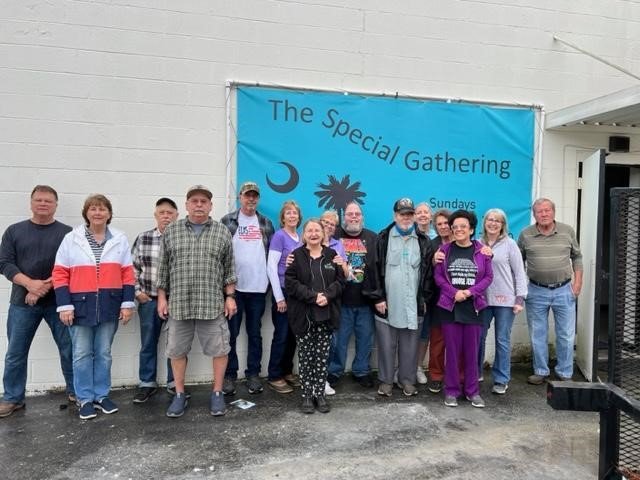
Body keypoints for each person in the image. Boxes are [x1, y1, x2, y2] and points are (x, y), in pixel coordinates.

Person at [53, 194, 136, 420]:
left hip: (109, 304)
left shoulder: (119, 238)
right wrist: (64, 305)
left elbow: (127, 274)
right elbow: (60, 273)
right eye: (93, 209)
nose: (98, 213)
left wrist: (127, 303)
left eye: (102, 209)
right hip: (79, 306)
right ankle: (85, 399)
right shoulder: (72, 239)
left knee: (104, 353)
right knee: (81, 354)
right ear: (86, 213)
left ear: (109, 214)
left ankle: (101, 395)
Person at [157, 185, 237, 418]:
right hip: (179, 305)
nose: (199, 205)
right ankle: (180, 394)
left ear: (210, 205)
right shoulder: (172, 231)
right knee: (176, 351)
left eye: (204, 201)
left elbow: (229, 268)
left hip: (211, 304)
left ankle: (217, 392)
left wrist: (230, 297)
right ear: (187, 205)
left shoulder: (222, 231)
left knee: (220, 350)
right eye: (195, 201)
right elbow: (163, 269)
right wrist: (162, 297)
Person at [0, 185, 74, 418]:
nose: (43, 204)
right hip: (22, 303)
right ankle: (13, 398)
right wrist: (30, 284)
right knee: (16, 352)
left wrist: (42, 287)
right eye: (39, 200)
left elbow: (71, 265)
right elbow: (4, 263)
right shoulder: (14, 231)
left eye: (48, 201)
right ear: (31, 203)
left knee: (69, 349)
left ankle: (76, 391)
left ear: (55, 205)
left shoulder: (68, 233)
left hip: (59, 302)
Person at [372, 198, 433, 397]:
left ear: (414, 216)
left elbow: (429, 274)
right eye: (402, 214)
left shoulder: (424, 241)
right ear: (395, 216)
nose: (405, 218)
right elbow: (372, 270)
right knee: (387, 346)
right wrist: (378, 298)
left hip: (413, 304)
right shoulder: (382, 239)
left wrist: (424, 298)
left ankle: (407, 380)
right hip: (387, 304)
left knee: (410, 346)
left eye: (409, 214)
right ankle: (387, 381)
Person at [517, 198, 582, 385]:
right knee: (538, 333)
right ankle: (540, 371)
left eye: (547, 210)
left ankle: (565, 372)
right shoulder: (525, 234)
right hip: (536, 290)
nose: (544, 214)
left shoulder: (567, 231)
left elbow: (577, 257)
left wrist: (578, 284)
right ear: (534, 214)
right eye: (539, 211)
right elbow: (518, 261)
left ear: (553, 212)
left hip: (564, 289)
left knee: (566, 334)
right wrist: (522, 286)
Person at [434, 210, 493, 408]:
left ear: (471, 229)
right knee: (451, 352)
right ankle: (451, 391)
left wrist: (469, 292)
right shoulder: (444, 250)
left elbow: (488, 278)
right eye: (455, 227)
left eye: (463, 227)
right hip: (450, 308)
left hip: (474, 308)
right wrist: (453, 293)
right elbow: (439, 277)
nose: (458, 230)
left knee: (471, 352)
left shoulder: (482, 251)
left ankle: (472, 391)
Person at [220, 181, 275, 396]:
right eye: (247, 195)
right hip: (234, 290)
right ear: (240, 197)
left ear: (258, 199)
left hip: (258, 288)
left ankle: (253, 374)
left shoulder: (266, 223)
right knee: (230, 334)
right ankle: (229, 375)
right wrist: (225, 290)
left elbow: (272, 256)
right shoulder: (227, 221)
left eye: (254, 196)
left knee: (255, 333)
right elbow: (221, 256)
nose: (251, 199)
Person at [285, 219, 345, 413]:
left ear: (323, 234)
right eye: (309, 230)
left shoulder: (332, 255)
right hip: (304, 316)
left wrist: (327, 296)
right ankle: (307, 396)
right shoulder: (296, 256)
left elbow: (340, 281)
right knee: (305, 357)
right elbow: (291, 283)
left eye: (317, 230)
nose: (313, 234)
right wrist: (313, 297)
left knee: (321, 357)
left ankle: (319, 394)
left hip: (326, 315)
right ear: (304, 235)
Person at [130, 197, 179, 404]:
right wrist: (137, 291)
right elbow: (131, 268)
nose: (166, 216)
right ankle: (147, 383)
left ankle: (174, 382)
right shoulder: (144, 238)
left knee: (176, 344)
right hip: (149, 300)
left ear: (176, 216)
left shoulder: (182, 238)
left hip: (176, 301)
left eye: (170, 213)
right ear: (156, 215)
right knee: (148, 342)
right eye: (162, 213)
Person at [326, 202, 378, 392]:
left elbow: (378, 269)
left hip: (365, 300)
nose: (354, 217)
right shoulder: (335, 236)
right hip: (341, 300)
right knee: (339, 340)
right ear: (344, 217)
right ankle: (334, 371)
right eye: (350, 214)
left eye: (357, 214)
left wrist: (379, 296)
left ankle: (362, 371)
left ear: (362, 216)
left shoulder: (373, 238)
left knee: (365, 339)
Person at [478, 209, 527, 395]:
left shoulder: (510, 244)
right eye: (490, 219)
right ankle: (476, 373)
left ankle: (501, 379)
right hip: (482, 300)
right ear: (485, 223)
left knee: (502, 340)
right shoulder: (477, 243)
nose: (493, 223)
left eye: (497, 221)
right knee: (479, 337)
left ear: (503, 225)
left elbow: (520, 273)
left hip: (505, 301)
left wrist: (519, 298)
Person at [266, 200, 303, 394]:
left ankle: (287, 371)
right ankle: (274, 375)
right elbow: (271, 267)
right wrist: (279, 298)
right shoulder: (279, 236)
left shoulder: (300, 238)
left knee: (293, 335)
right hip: (282, 291)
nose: (292, 215)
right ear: (282, 217)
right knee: (281, 335)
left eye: (294, 213)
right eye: (288, 213)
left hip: (297, 294)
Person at [426, 208, 452, 394]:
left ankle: (454, 376)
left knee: (456, 342)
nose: (443, 227)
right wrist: (433, 261)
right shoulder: (431, 244)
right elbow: (425, 271)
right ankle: (436, 376)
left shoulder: (463, 243)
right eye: (439, 224)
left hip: (460, 301)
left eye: (446, 223)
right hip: (437, 300)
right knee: (437, 341)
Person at [414, 202, 433, 385]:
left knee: (424, 332)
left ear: (431, 216)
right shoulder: (409, 235)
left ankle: (418, 366)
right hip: (411, 291)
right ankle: (402, 367)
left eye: (425, 212)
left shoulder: (437, 236)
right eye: (418, 212)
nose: (422, 215)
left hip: (430, 293)